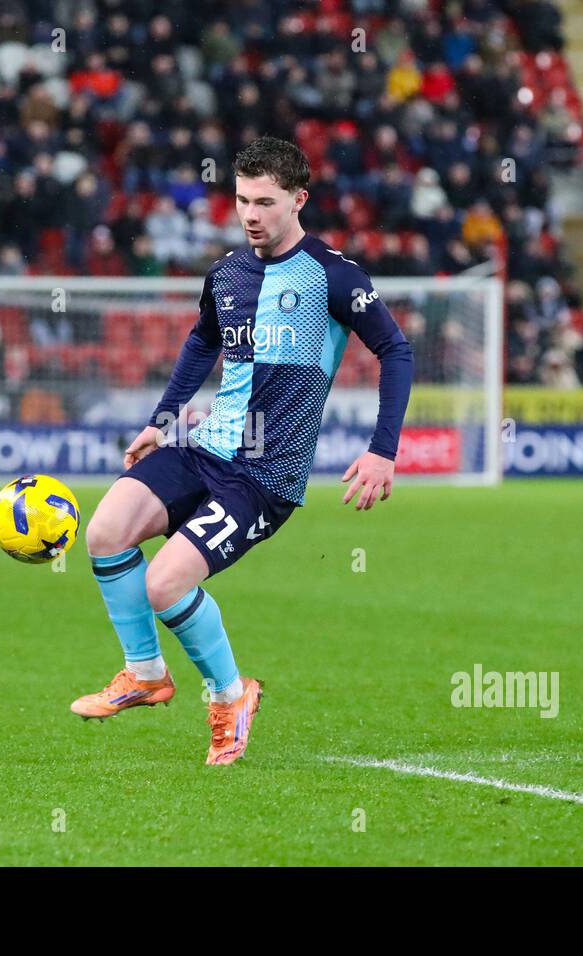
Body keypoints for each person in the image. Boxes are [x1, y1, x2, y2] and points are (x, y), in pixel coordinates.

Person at [74, 137, 414, 765]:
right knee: (104, 531)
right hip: (205, 448)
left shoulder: (334, 275)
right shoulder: (227, 272)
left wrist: (382, 450)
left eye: (264, 202)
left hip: (263, 475)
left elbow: (396, 350)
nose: (250, 215)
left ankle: (232, 697)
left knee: (164, 582)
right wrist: (161, 421)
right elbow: (201, 341)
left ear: (298, 200)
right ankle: (145, 674)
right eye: (241, 201)